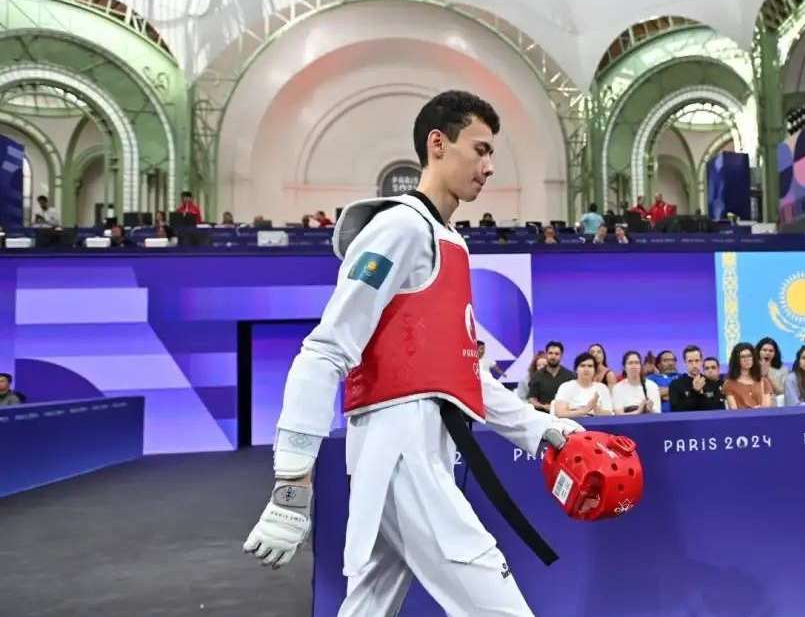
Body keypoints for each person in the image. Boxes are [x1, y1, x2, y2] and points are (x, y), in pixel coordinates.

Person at [242, 91, 584, 616]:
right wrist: (292, 484)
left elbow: (459, 371)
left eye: (494, 154)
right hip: (400, 452)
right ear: (438, 144)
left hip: (423, 450)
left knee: (368, 607)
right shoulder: (399, 227)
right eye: (481, 149)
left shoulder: (451, 242)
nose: (490, 167)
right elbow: (323, 351)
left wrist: (540, 430)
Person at [552, 353, 614, 418]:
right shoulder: (566, 387)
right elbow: (560, 413)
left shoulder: (602, 388)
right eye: (582, 365)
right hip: (571, 425)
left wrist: (597, 410)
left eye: (590, 366)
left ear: (595, 370)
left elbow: (609, 414)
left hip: (597, 425)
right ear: (576, 369)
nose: (586, 369)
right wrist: (585, 410)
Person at [669, 346, 723, 412]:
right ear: (685, 362)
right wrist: (694, 391)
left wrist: (701, 394)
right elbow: (676, 410)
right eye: (690, 361)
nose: (694, 365)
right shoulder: (676, 384)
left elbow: (716, 410)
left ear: (701, 361)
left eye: (697, 361)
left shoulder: (711, 382)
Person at [722, 342, 774, 409]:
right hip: (742, 418)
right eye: (742, 357)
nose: (747, 359)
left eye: (749, 356)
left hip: (761, 417)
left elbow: (767, 407)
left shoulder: (763, 381)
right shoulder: (729, 383)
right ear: (736, 360)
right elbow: (733, 410)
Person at [528, 341, 575, 413]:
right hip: (543, 416)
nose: (553, 356)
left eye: (556, 354)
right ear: (546, 354)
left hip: (566, 416)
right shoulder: (536, 376)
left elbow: (574, 399)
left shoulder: (570, 376)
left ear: (561, 356)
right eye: (550, 353)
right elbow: (532, 399)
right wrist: (543, 406)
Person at [755, 337, 786, 401]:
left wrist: (767, 375)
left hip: (776, 400)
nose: (767, 353)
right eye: (764, 350)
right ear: (758, 351)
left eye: (771, 351)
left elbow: (782, 392)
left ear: (775, 353)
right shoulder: (751, 367)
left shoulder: (783, 369)